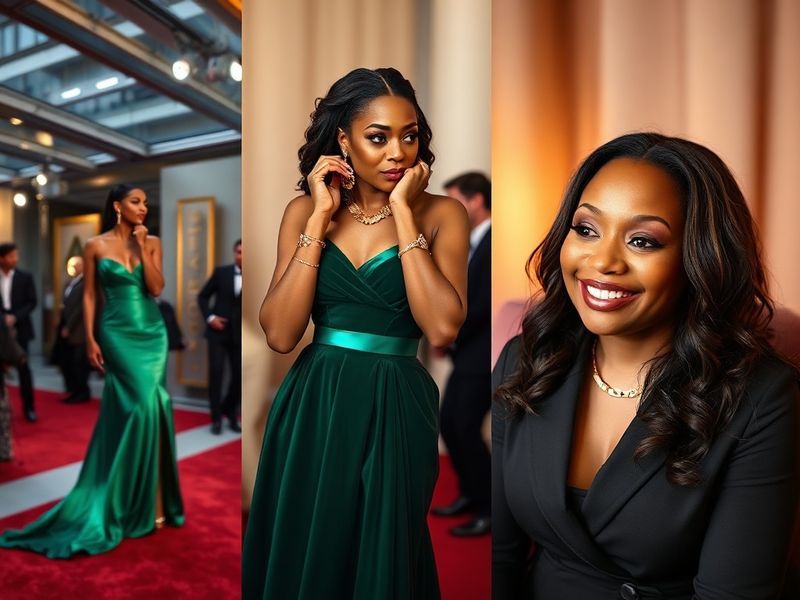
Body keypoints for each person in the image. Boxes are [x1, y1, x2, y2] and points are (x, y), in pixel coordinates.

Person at [492, 133, 799, 599]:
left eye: (642, 241)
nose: (603, 261)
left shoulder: (761, 399)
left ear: (701, 258)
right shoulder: (525, 360)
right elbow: (500, 557)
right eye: (586, 229)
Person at [242, 67, 470, 599]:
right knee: (310, 540)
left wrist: (404, 215)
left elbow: (442, 327)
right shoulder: (304, 211)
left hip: (397, 399)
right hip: (315, 399)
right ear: (344, 141)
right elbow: (280, 333)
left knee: (383, 545)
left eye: (409, 136)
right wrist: (317, 222)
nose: (398, 153)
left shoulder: (443, 214)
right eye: (378, 137)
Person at [0, 184, 184, 558]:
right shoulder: (95, 245)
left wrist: (143, 246)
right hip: (115, 331)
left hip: (151, 332)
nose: (143, 207)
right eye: (135, 201)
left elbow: (156, 288)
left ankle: (153, 503)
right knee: (141, 405)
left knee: (155, 403)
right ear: (117, 206)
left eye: (145, 202)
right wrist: (91, 339)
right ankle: (127, 497)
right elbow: (88, 296)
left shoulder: (152, 241)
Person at [432, 172, 492, 536]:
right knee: (451, 425)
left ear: (476, 200)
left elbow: (481, 305)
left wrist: (447, 333)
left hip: (483, 355)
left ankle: (488, 508)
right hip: (467, 353)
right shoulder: (472, 242)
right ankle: (471, 494)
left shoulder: (494, 241)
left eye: (455, 201)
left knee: (465, 428)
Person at [197, 239, 242, 434]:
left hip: (240, 336)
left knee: (239, 377)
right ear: (234, 253)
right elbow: (202, 296)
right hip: (218, 333)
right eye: (239, 252)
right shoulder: (221, 273)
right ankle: (216, 419)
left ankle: (230, 413)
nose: (242, 256)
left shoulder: (256, 276)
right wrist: (210, 317)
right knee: (216, 375)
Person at [0, 242, 38, 422]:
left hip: (21, 327)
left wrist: (15, 317)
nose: (15, 259)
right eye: (11, 256)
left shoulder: (25, 277)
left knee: (24, 368)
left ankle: (29, 408)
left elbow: (32, 302)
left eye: (16, 255)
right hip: (1, 329)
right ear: (2, 258)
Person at [56, 256, 91, 404]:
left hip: (79, 329)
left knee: (79, 362)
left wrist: (69, 326)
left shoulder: (86, 283)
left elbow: (80, 309)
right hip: (66, 325)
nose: (74, 267)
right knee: (68, 360)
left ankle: (81, 391)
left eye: (77, 265)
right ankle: (73, 389)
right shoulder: (70, 283)